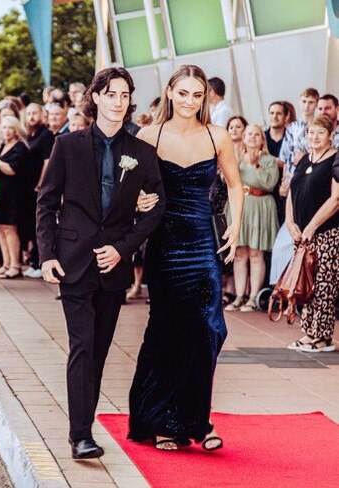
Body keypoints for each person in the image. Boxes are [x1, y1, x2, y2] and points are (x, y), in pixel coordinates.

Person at [36, 67, 166, 459]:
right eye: (111, 94)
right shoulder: (68, 146)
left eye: (125, 95)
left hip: (114, 267)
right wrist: (47, 255)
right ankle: (81, 435)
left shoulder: (142, 152)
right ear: (95, 98)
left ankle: (83, 427)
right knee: (81, 345)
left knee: (100, 350)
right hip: (73, 261)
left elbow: (155, 208)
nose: (118, 101)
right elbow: (45, 202)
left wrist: (123, 249)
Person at [129, 65, 243, 451]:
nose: (190, 101)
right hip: (164, 243)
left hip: (201, 242)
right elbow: (131, 189)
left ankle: (197, 418)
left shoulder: (218, 135)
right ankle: (162, 420)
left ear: (206, 97)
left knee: (209, 330)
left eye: (198, 95)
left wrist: (236, 225)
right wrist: (140, 201)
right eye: (184, 93)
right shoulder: (149, 134)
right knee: (167, 329)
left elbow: (235, 185)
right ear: (170, 93)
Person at [286, 115, 339, 352]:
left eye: (320, 133)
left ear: (330, 135)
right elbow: (291, 193)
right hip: (303, 234)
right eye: (311, 133)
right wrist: (290, 223)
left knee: (325, 282)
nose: (314, 137)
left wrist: (312, 226)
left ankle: (321, 335)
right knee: (306, 283)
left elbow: (336, 199)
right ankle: (308, 332)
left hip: (327, 232)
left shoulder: (335, 159)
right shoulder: (304, 159)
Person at [224, 125, 279, 312]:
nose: (253, 137)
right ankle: (239, 295)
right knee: (239, 253)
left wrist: (256, 165)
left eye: (257, 134)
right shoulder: (236, 158)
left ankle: (254, 296)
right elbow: (228, 181)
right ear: (244, 137)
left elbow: (270, 183)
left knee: (256, 253)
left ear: (262, 139)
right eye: (249, 134)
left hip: (260, 205)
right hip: (240, 206)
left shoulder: (269, 160)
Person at [22, 103, 54, 278]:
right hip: (25, 187)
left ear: (42, 115)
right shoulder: (29, 135)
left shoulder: (46, 135)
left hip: (37, 187)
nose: (31, 116)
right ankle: (32, 260)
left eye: (35, 113)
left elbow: (47, 161)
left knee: (38, 225)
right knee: (28, 225)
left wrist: (41, 183)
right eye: (28, 113)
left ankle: (38, 261)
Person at [0, 115, 28, 278]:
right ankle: (6, 262)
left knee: (10, 228)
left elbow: (11, 169)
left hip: (13, 193)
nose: (6, 131)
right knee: (0, 228)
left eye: (10, 128)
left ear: (16, 130)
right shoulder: (1, 147)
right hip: (0, 191)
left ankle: (15, 264)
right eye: (4, 127)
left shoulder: (20, 147)